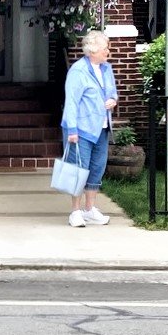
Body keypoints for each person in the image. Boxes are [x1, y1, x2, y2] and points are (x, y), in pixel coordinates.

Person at [61, 29, 118, 228]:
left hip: (101, 127)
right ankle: (75, 212)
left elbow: (112, 91)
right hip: (82, 129)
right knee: (78, 170)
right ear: (92, 51)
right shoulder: (78, 71)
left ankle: (90, 209)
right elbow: (72, 102)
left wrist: (113, 100)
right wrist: (72, 130)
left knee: (96, 169)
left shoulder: (106, 69)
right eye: (105, 49)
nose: (108, 52)